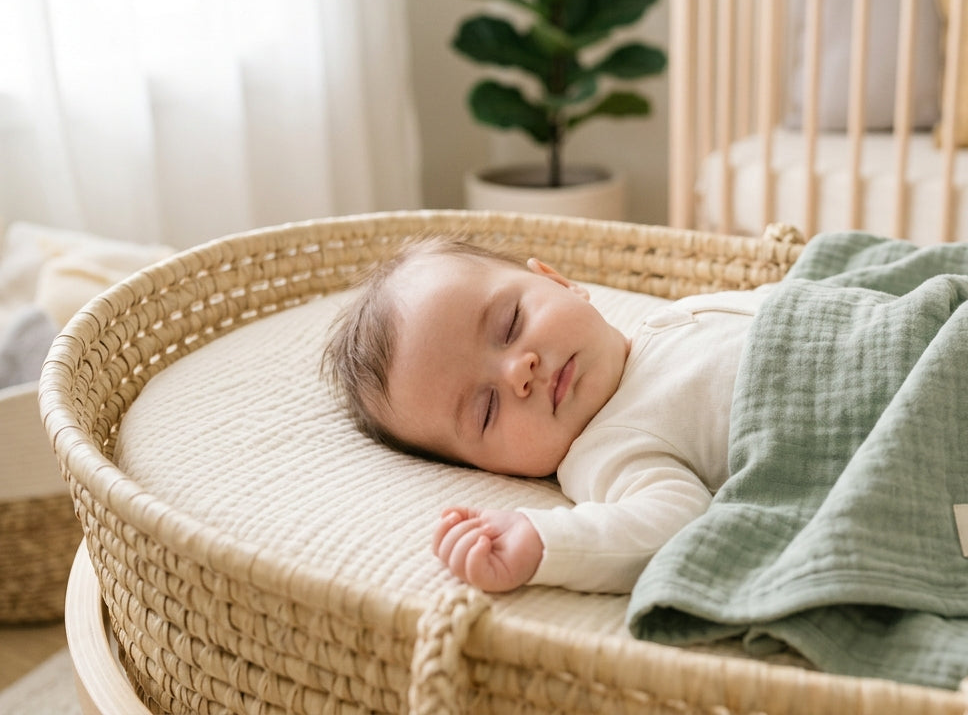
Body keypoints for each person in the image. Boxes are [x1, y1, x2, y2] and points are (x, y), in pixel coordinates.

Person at [322, 234, 766, 594]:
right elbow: (668, 525)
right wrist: (539, 539)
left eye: (510, 323)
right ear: (492, 470)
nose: (519, 371)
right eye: (487, 409)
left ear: (559, 282)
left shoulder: (665, 319)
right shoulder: (608, 451)